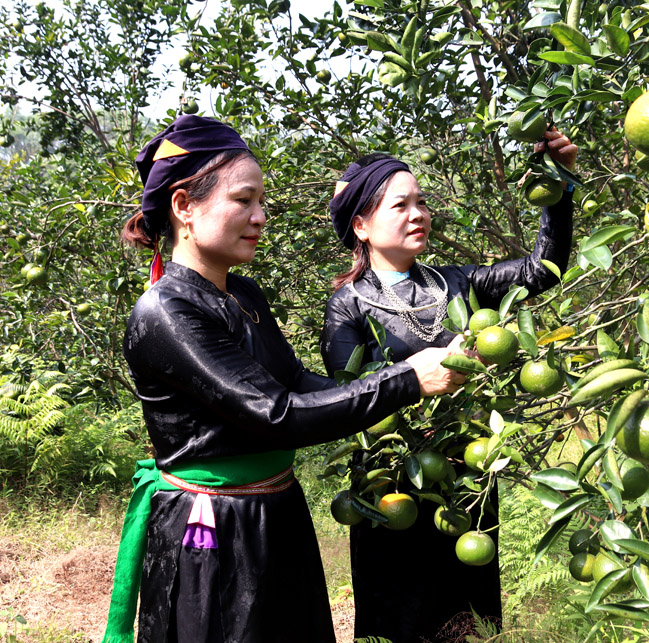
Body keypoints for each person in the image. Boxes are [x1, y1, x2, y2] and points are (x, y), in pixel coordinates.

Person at [102, 115, 466, 643]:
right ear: (184, 207)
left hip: (277, 510)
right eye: (243, 201)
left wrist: (407, 391)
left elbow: (296, 381)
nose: (260, 217)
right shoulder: (168, 312)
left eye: (262, 202)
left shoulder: (243, 294)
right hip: (214, 528)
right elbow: (277, 414)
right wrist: (407, 381)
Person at [320, 127, 577, 642]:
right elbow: (350, 396)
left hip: (468, 475)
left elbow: (541, 270)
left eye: (421, 202)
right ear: (362, 226)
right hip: (392, 486)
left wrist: (560, 184)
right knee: (401, 618)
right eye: (400, 205)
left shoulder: (457, 284)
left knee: (469, 619)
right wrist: (417, 377)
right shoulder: (347, 304)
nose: (418, 213)